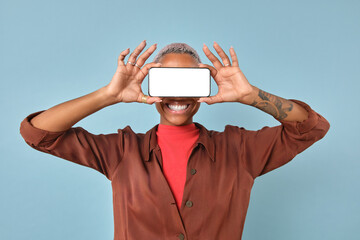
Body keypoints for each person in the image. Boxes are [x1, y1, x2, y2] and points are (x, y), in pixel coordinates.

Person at [20, 40, 330, 240]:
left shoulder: (241, 149)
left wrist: (251, 96)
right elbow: (37, 133)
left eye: (188, 82)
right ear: (152, 86)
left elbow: (311, 128)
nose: (178, 94)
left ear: (202, 86)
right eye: (168, 81)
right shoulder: (121, 151)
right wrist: (108, 95)